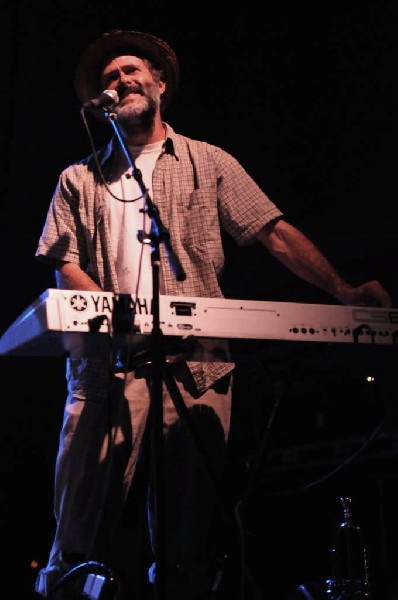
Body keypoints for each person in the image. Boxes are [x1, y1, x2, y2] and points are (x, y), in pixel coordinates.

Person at [34, 29, 392, 600]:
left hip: (196, 368)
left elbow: (273, 233)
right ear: (99, 102)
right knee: (79, 531)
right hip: (109, 370)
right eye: (108, 78)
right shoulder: (77, 178)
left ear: (160, 85)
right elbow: (63, 262)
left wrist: (343, 291)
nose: (119, 81)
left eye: (130, 71)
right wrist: (114, 315)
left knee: (187, 537)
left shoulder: (209, 161)